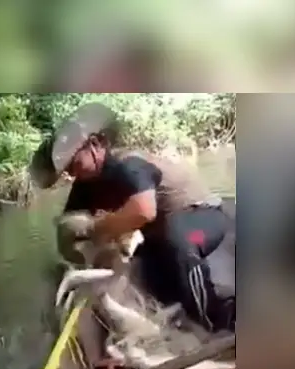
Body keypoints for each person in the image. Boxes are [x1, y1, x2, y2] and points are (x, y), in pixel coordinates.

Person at [29, 102, 235, 333]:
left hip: (203, 221)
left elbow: (144, 211)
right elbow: (68, 227)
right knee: (146, 276)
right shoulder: (85, 186)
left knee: (179, 239)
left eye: (74, 163)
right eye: (67, 169)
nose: (70, 173)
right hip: (160, 241)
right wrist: (74, 256)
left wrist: (95, 228)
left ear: (95, 145)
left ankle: (214, 319)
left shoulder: (128, 165)